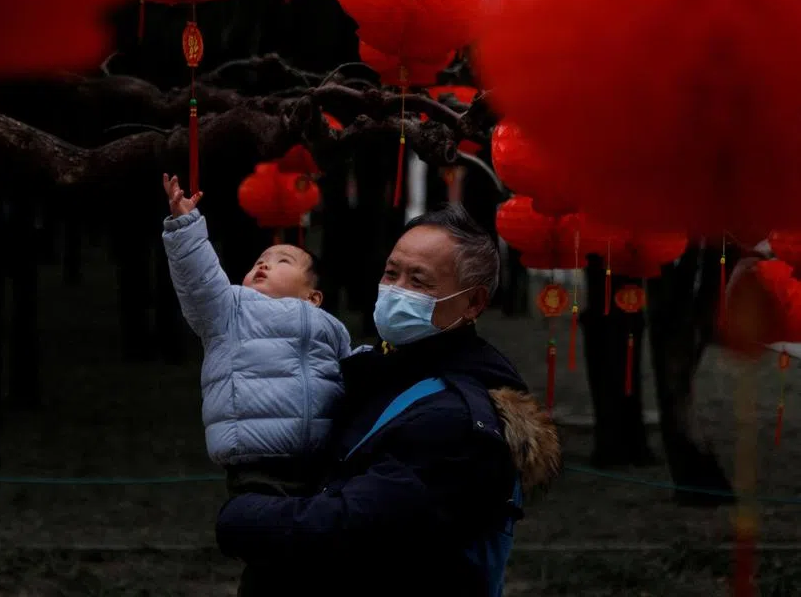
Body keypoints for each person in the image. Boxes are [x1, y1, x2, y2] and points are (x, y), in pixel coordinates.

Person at [216, 204, 561, 597]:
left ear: (473, 303)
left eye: (419, 281)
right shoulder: (380, 372)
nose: (397, 290)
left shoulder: (456, 416)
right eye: (391, 273)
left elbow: (356, 526)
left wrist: (245, 518)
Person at [160, 174, 352, 497]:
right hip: (253, 467)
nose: (264, 266)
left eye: (282, 262)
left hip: (320, 467)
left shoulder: (331, 329)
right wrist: (185, 226)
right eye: (259, 261)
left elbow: (353, 375)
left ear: (313, 297)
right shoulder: (230, 309)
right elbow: (200, 280)